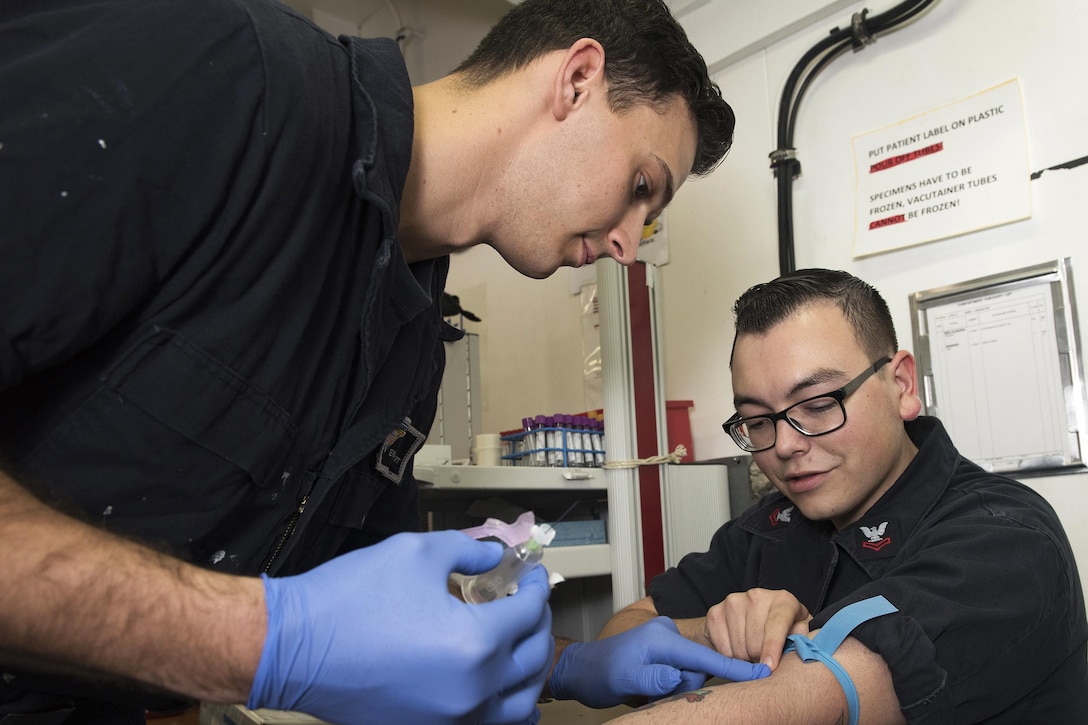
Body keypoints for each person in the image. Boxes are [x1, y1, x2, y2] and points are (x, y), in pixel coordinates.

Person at [0, 0, 739, 722]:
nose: (627, 243)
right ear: (577, 79)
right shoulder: (226, 76)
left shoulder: (408, 357)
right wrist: (270, 642)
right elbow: (299, 634)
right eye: (642, 187)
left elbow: (377, 619)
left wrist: (565, 665)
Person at [547, 269, 1088, 722]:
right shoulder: (771, 526)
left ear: (900, 385)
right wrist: (714, 631)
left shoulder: (1007, 538)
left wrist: (757, 642)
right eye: (757, 420)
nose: (784, 445)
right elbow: (628, 629)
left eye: (820, 403)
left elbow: (817, 697)